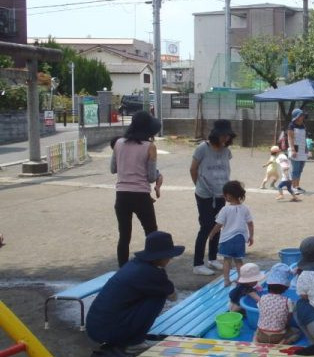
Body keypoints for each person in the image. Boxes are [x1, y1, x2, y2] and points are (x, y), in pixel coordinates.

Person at [86, 231, 183, 356]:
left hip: (96, 327)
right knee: (158, 296)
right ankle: (133, 342)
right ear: (161, 256)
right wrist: (162, 277)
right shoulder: (150, 273)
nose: (170, 259)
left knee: (154, 293)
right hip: (107, 332)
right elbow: (173, 296)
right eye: (169, 256)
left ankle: (130, 338)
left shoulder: (135, 264)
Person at [111, 111, 163, 267]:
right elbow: (151, 176)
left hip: (122, 195)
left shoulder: (119, 143)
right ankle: (152, 266)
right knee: (151, 232)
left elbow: (113, 169)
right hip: (141, 195)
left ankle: (122, 270)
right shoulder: (150, 146)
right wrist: (159, 175)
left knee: (124, 236)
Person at [190, 119, 236, 276]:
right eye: (223, 135)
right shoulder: (203, 148)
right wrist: (199, 185)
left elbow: (225, 170)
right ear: (215, 135)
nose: (225, 138)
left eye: (228, 135)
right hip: (205, 194)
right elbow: (193, 169)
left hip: (220, 193)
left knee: (218, 225)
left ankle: (212, 258)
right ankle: (197, 263)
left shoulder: (226, 151)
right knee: (206, 226)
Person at [207, 180, 254, 286]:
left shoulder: (225, 209)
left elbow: (218, 224)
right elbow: (250, 223)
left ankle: (226, 280)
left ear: (228, 196)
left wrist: (212, 233)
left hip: (227, 239)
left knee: (227, 260)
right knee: (238, 261)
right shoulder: (245, 209)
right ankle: (241, 279)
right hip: (240, 239)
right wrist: (251, 236)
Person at [255, 263, 301, 345]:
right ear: (286, 287)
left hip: (262, 335)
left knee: (257, 331)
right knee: (297, 332)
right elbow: (288, 318)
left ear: (268, 285)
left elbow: (262, 311)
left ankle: (256, 341)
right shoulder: (287, 301)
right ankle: (284, 343)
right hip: (277, 336)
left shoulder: (262, 298)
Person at [287, 109, 309, 194]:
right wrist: (292, 149)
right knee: (295, 170)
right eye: (301, 115)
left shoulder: (303, 125)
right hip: (295, 149)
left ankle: (297, 186)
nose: (303, 116)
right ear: (297, 116)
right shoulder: (291, 125)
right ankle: (292, 187)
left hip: (303, 150)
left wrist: (306, 147)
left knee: (300, 169)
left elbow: (304, 138)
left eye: (303, 115)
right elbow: (290, 138)